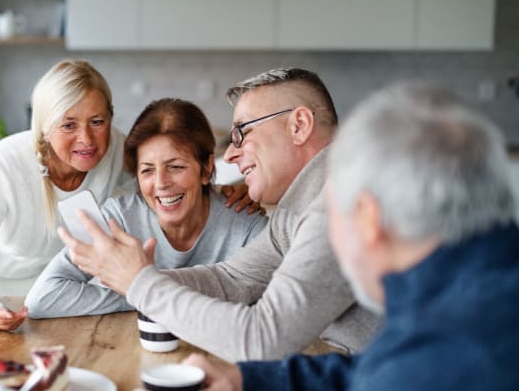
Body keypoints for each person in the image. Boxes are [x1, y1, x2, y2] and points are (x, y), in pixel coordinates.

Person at [182, 82, 519, 390]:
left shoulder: (432, 358)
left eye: (331, 210)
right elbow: (369, 368)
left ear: (368, 218)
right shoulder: (471, 293)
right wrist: (249, 378)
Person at [58, 67, 380, 361]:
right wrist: (131, 276)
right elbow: (230, 279)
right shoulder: (295, 211)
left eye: (242, 132)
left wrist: (139, 282)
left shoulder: (341, 207)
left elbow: (262, 338)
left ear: (299, 125)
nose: (232, 153)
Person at [0, 60, 257, 331]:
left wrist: (234, 189)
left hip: (48, 277)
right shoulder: (5, 165)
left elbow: (168, 182)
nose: (86, 139)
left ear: (111, 118)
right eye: (68, 125)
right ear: (44, 126)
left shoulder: (116, 151)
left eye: (97, 121)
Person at [25, 98, 268, 317]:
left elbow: (275, 300)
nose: (161, 183)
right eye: (147, 170)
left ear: (205, 168)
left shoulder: (245, 223)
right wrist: (139, 294)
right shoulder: (118, 220)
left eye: (175, 167)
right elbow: (43, 297)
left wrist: (139, 285)